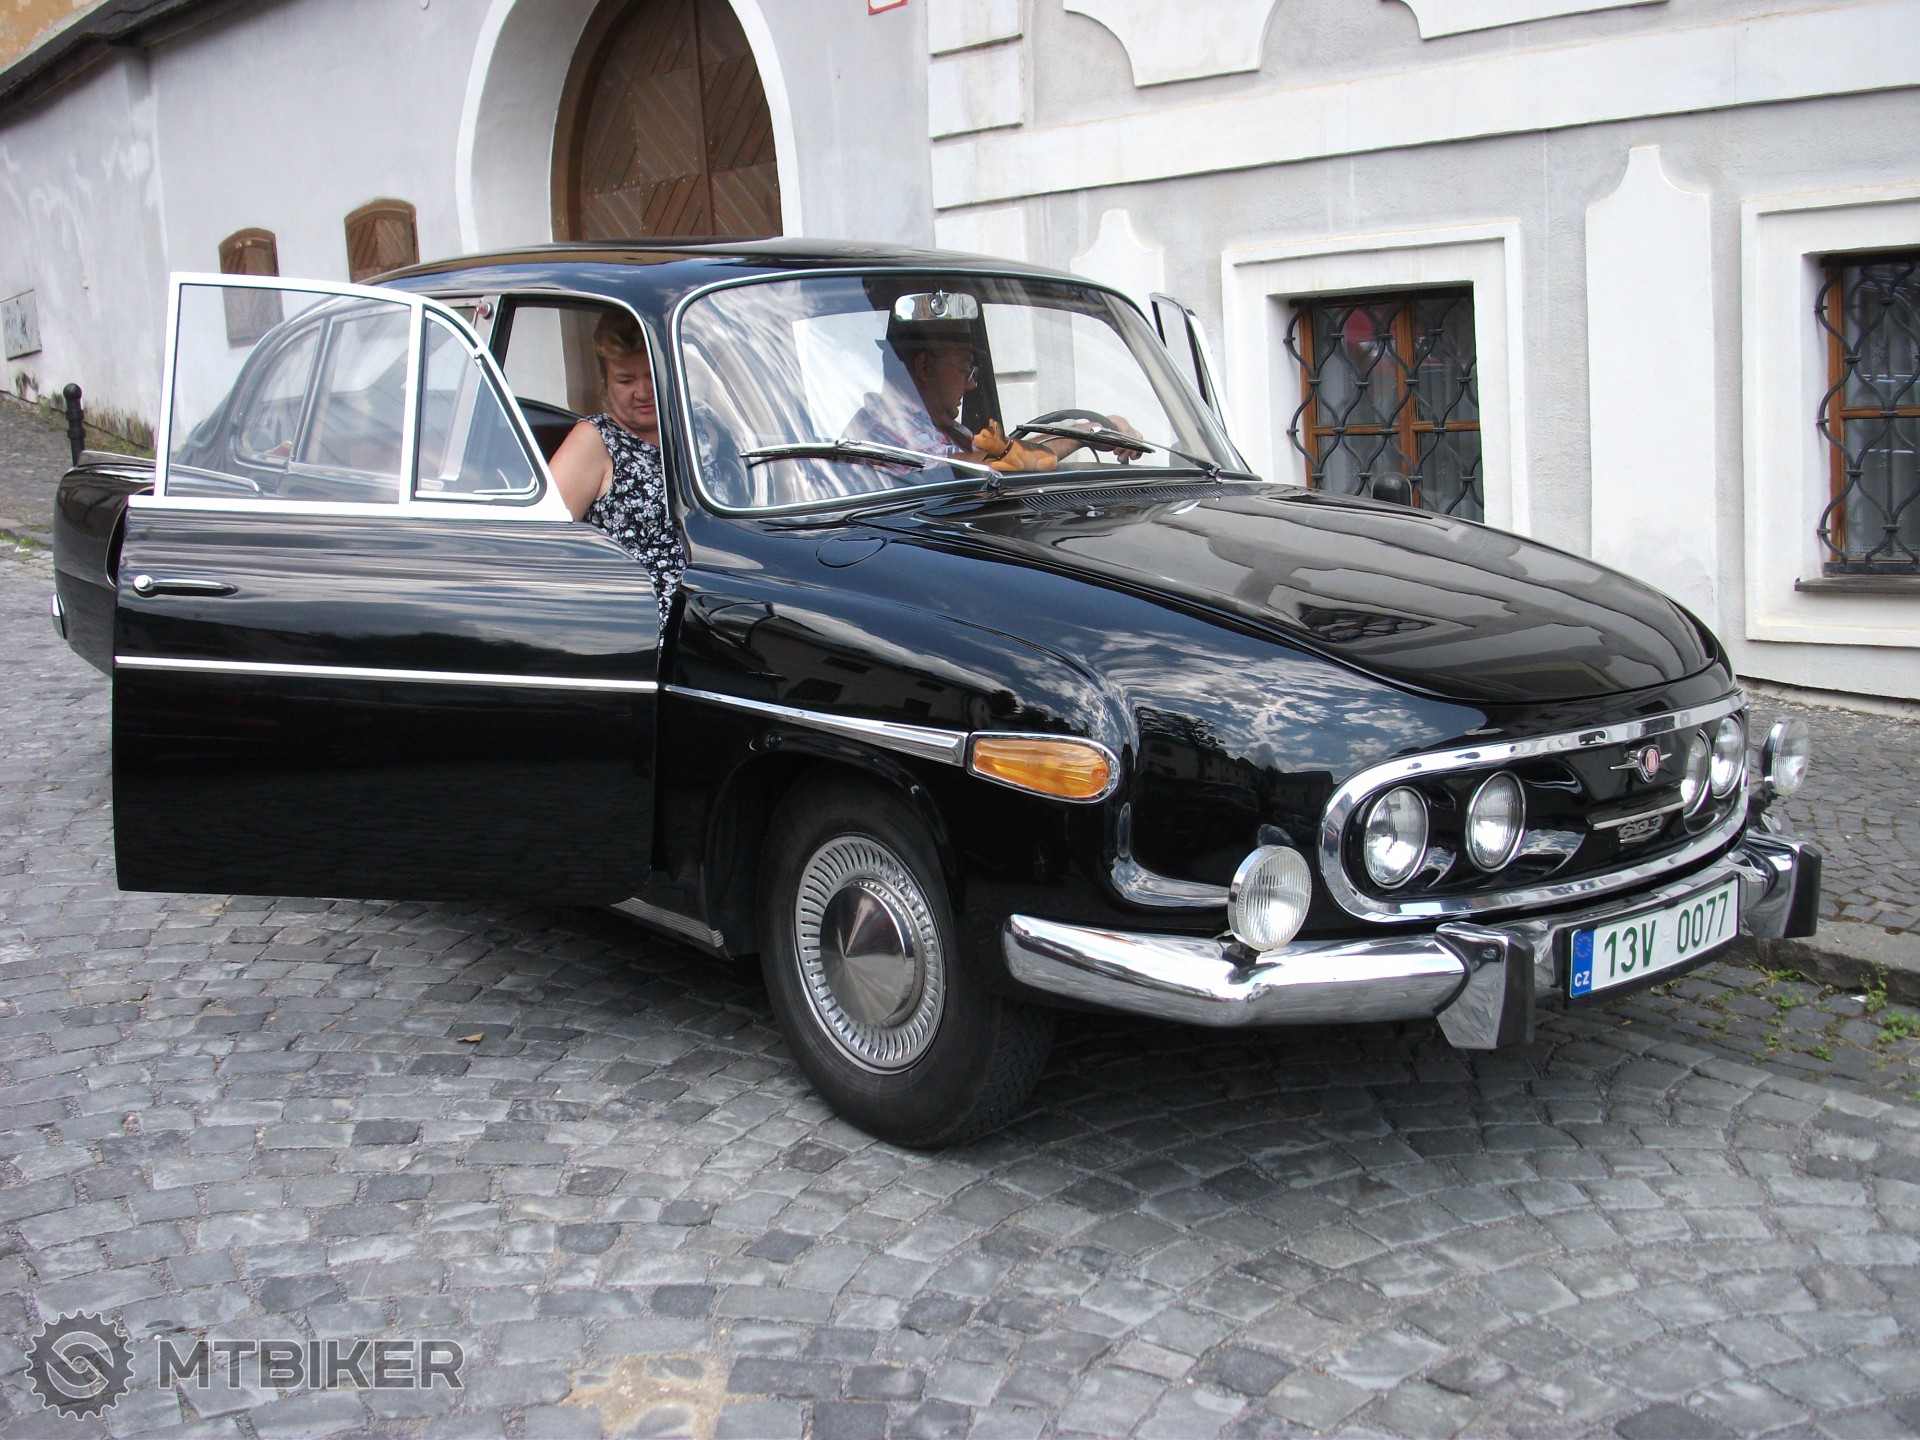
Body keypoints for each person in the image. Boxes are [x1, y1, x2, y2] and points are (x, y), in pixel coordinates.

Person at [844, 309, 1142, 474]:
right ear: (923, 366)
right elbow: (983, 467)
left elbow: (1005, 453)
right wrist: (1081, 434)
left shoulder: (941, 427)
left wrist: (1091, 429)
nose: (971, 384)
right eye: (965, 368)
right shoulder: (885, 429)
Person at [549, 311, 686, 625]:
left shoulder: (696, 429)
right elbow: (548, 543)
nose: (644, 392)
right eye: (626, 380)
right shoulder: (593, 441)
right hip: (637, 628)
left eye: (652, 375)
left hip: (713, 610)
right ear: (606, 382)